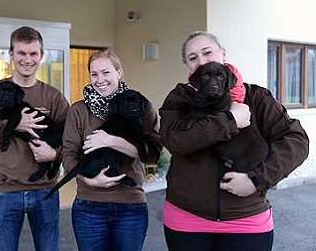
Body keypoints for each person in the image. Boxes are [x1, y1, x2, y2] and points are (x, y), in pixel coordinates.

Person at [158, 31, 309, 251]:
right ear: (189, 67)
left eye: (207, 52)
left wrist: (257, 180)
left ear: (223, 54)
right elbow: (173, 140)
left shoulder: (256, 97)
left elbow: (296, 140)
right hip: (187, 217)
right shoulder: (180, 98)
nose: (201, 61)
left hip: (246, 218)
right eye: (193, 58)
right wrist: (229, 120)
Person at [0, 26, 69, 251]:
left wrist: (54, 154)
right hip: (5, 191)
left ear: (41, 55)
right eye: (21, 53)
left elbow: (71, 140)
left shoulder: (53, 97)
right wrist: (10, 125)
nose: (27, 59)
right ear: (11, 54)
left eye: (33, 53)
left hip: (45, 190)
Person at [62, 49, 164, 251]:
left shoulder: (141, 105)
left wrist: (112, 141)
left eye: (106, 72)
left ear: (119, 73)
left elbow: (153, 155)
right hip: (89, 205)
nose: (100, 79)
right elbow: (68, 154)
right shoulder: (79, 110)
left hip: (130, 204)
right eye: (94, 74)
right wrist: (87, 179)